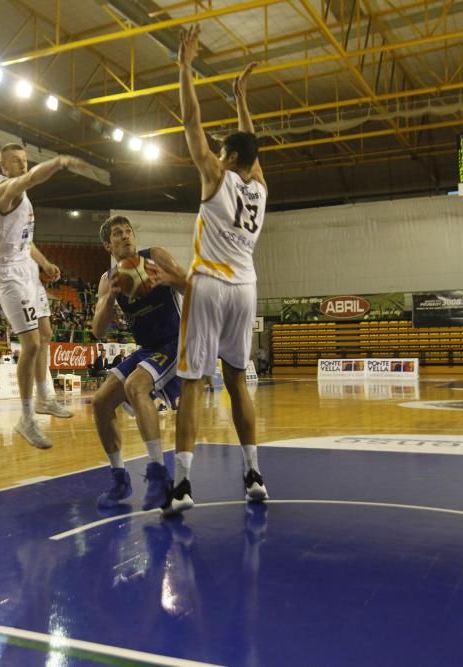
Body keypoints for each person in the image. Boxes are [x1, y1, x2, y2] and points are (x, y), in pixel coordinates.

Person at [166, 27, 268, 515]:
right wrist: (241, 100)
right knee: (237, 382)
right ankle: (253, 473)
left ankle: (183, 484)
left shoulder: (216, 174)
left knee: (190, 382)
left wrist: (185, 68)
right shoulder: (259, 188)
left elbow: (190, 119)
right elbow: (252, 148)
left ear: (226, 157)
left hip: (208, 283)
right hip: (246, 287)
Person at [0, 143, 90, 449]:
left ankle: (46, 398)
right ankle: (26, 418)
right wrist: (59, 161)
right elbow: (29, 179)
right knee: (30, 344)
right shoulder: (4, 192)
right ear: (3, 166)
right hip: (9, 275)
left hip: (28, 269)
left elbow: (24, 238)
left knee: (45, 333)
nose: (21, 164)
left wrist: (44, 263)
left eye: (24, 160)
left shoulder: (21, 197)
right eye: (16, 161)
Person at [91, 216, 187, 509]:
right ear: (108, 244)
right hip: (147, 348)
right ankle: (120, 480)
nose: (125, 236)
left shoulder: (155, 255)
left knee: (135, 386)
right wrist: (110, 299)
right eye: (118, 234)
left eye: (128, 231)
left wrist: (165, 279)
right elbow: (98, 331)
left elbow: (190, 284)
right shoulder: (108, 280)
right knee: (100, 402)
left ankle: (158, 475)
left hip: (175, 342)